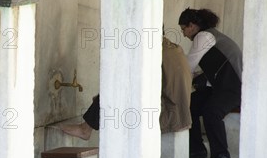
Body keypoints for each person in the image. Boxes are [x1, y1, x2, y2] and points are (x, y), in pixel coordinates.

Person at [61, 36, 193, 139]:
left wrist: (104, 97)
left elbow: (130, 84)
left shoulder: (152, 53)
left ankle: (85, 129)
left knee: (111, 96)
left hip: (168, 112)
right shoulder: (172, 48)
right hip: (180, 112)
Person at [178, 8, 242, 158]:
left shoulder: (204, 36)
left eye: (184, 29)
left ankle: (222, 155)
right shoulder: (210, 35)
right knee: (190, 105)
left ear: (192, 25)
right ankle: (197, 149)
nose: (184, 34)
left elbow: (188, 66)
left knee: (211, 112)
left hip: (233, 88)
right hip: (220, 87)